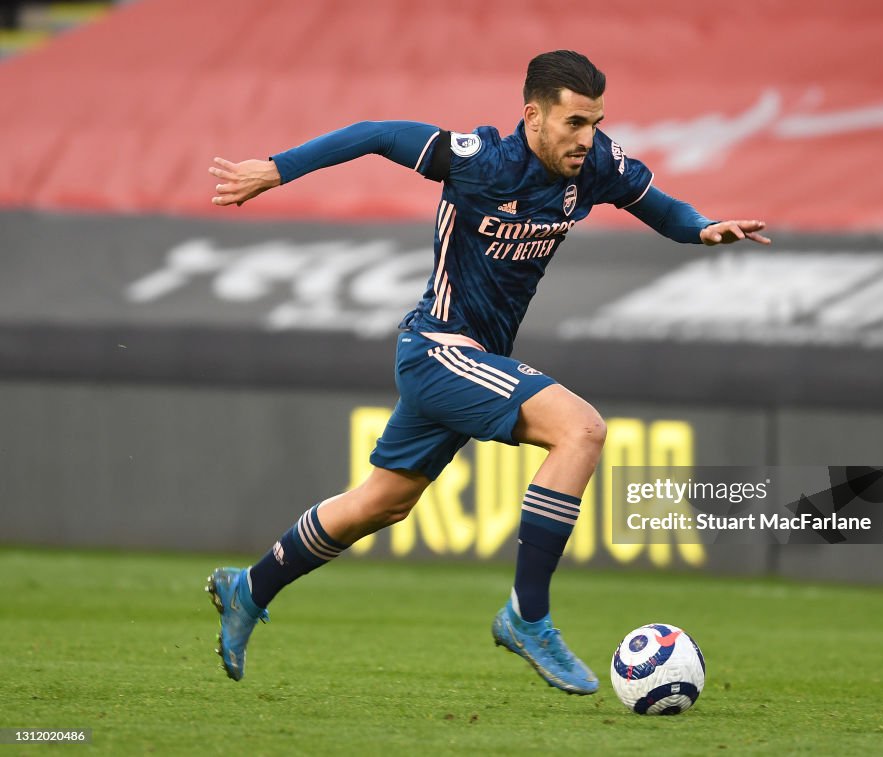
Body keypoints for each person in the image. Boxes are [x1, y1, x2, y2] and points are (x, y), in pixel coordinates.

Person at [205, 49, 770, 694]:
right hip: (438, 347)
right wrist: (276, 169)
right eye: (574, 123)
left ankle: (249, 587)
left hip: (474, 361)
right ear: (533, 115)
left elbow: (661, 209)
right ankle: (527, 615)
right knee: (580, 430)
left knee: (381, 502)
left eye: (596, 122)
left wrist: (703, 230)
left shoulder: (597, 167)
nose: (588, 138)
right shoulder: (483, 160)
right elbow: (377, 136)